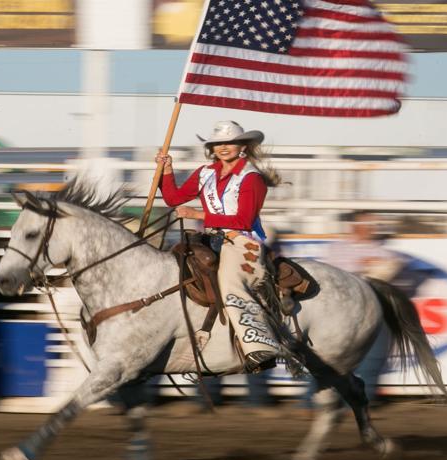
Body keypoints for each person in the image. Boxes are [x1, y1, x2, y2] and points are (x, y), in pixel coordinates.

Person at [154, 120, 289, 375]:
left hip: (243, 241)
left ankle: (259, 345)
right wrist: (167, 170)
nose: (223, 147)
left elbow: (244, 220)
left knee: (230, 284)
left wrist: (198, 214)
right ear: (212, 148)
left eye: (230, 142)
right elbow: (173, 198)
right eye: (218, 143)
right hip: (212, 238)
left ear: (242, 147)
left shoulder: (252, 178)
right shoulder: (205, 172)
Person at [309, 212, 422, 409]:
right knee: (323, 357)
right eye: (367, 224)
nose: (372, 228)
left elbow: (398, 275)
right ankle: (312, 404)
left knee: (372, 358)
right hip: (342, 312)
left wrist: (381, 268)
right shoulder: (337, 249)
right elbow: (327, 278)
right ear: (355, 227)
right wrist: (360, 267)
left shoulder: (385, 253)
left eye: (373, 224)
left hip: (373, 310)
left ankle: (358, 403)